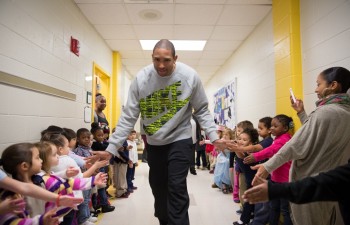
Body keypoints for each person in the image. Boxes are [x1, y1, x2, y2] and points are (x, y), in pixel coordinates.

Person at [94, 39, 225, 225]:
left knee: (176, 186)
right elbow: (128, 116)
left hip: (181, 138)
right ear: (152, 58)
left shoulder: (189, 77)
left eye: (166, 60)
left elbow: (202, 109)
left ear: (175, 58)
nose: (161, 65)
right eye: (157, 60)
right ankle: (164, 219)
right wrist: (111, 148)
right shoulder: (141, 79)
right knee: (158, 187)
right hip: (155, 143)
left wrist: (214, 136)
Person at [252, 67, 350, 225]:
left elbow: (295, 145)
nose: (315, 89)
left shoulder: (324, 113)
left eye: (318, 84)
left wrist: (267, 166)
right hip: (331, 186)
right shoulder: (345, 112)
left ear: (333, 85)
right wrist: (301, 112)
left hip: (311, 185)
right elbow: (314, 135)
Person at [242, 161, 350, 225]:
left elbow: (323, 183)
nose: (272, 128)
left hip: (283, 184)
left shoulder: (284, 139)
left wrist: (274, 189)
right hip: (278, 185)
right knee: (274, 208)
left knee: (285, 211)